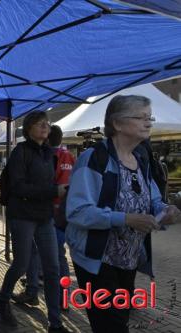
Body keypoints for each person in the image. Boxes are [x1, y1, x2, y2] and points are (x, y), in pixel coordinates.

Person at [66, 95, 181, 332]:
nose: (148, 123)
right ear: (117, 124)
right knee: (112, 327)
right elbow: (77, 212)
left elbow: (154, 200)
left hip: (128, 260)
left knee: (117, 322)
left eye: (150, 117)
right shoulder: (95, 159)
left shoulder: (141, 159)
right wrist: (126, 219)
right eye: (141, 117)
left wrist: (164, 211)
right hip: (97, 260)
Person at [0, 111, 69, 332]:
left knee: (53, 267)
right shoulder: (21, 151)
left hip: (44, 216)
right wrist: (52, 191)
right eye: (39, 124)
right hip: (22, 215)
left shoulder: (48, 153)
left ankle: (55, 323)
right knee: (21, 264)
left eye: (47, 124)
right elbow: (18, 187)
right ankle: (2, 299)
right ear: (28, 129)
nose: (45, 127)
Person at [13, 125, 76, 309]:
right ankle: (63, 298)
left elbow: (39, 185)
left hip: (44, 213)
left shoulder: (45, 156)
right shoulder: (70, 157)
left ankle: (32, 292)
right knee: (60, 257)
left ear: (47, 138)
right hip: (65, 213)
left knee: (34, 253)